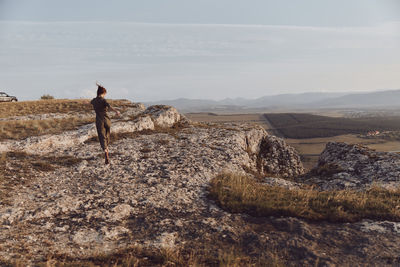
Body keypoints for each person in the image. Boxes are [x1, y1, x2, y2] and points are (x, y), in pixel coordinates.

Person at [90, 83, 120, 164]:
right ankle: (107, 147)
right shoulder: (103, 100)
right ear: (103, 93)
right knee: (107, 136)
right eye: (105, 94)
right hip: (107, 120)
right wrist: (116, 111)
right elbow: (109, 106)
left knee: (102, 137)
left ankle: (106, 152)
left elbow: (89, 102)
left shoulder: (94, 100)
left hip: (99, 121)